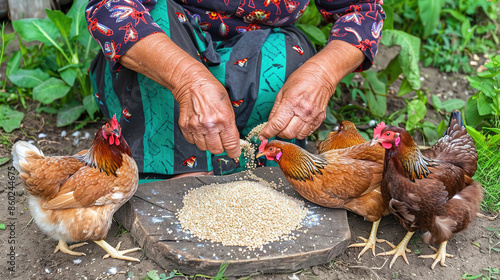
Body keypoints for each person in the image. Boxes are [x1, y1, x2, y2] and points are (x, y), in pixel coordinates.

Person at [86, 0, 385, 178]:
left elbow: (361, 12)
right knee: (160, 36)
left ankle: (248, 169)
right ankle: (174, 173)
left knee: (287, 60)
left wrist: (323, 74)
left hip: (253, 48)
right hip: (161, 44)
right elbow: (111, 8)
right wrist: (187, 79)